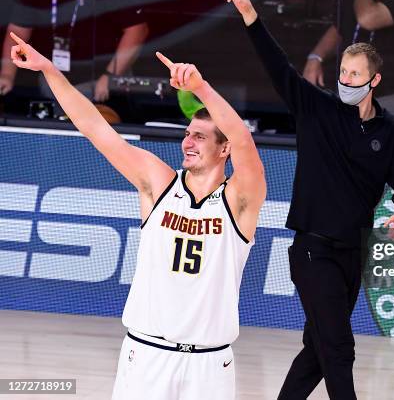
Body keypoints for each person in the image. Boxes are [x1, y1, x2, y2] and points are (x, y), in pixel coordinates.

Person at [8, 31, 266, 399]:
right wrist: (48, 69)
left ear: (224, 149)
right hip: (146, 354)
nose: (187, 142)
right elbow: (96, 129)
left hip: (209, 364)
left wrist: (203, 89)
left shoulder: (240, 200)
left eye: (199, 137)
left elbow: (245, 141)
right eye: (187, 133)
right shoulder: (158, 184)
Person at [220, 0, 394, 398]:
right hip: (312, 249)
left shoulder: (392, 131)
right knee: (338, 347)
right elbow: (278, 66)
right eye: (343, 73)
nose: (346, 80)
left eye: (355, 75)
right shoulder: (317, 109)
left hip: (353, 252)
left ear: (374, 80)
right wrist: (250, 15)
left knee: (318, 348)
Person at [0, 0, 148, 119]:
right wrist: (7, 74)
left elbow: (137, 31)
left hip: (100, 84)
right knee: (53, 136)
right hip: (53, 80)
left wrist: (110, 77)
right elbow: (18, 31)